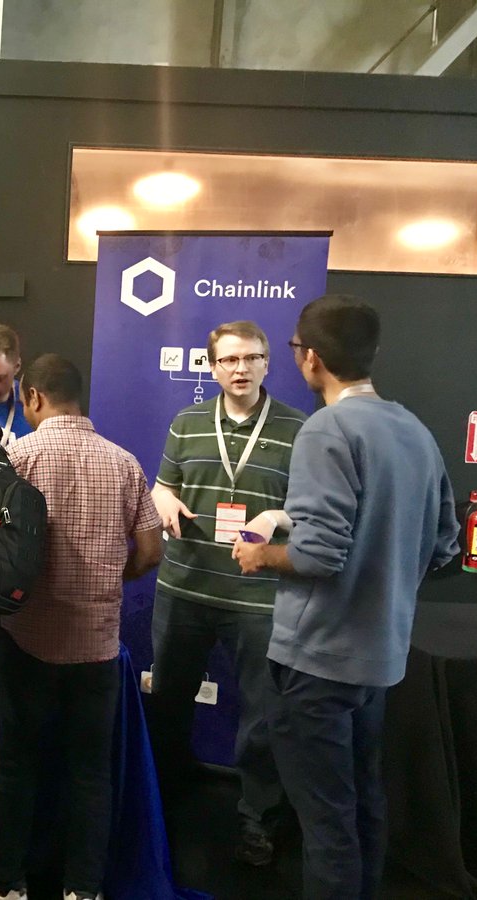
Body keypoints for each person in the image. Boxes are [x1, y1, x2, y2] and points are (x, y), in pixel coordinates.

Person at [232, 295, 459, 899]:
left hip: (316, 663)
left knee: (326, 825)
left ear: (308, 357)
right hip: (378, 660)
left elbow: (317, 556)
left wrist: (260, 554)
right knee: (363, 808)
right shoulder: (413, 429)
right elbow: (445, 547)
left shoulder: (327, 428)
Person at [0, 353, 163, 900]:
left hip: (26, 639)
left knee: (18, 769)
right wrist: (112, 576)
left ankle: (6, 885)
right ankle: (83, 890)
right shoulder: (124, 463)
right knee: (91, 774)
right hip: (97, 647)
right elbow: (151, 550)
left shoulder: (17, 459)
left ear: (33, 397)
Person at [146, 320, 307, 865]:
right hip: (185, 588)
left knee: (263, 715)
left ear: (267, 363)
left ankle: (257, 819)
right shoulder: (187, 421)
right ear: (212, 367)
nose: (241, 369)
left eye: (251, 358)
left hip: (259, 597)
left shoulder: (298, 428)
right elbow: (162, 487)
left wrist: (275, 516)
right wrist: (162, 500)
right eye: (230, 360)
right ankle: (161, 803)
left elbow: (310, 511)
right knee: (169, 702)